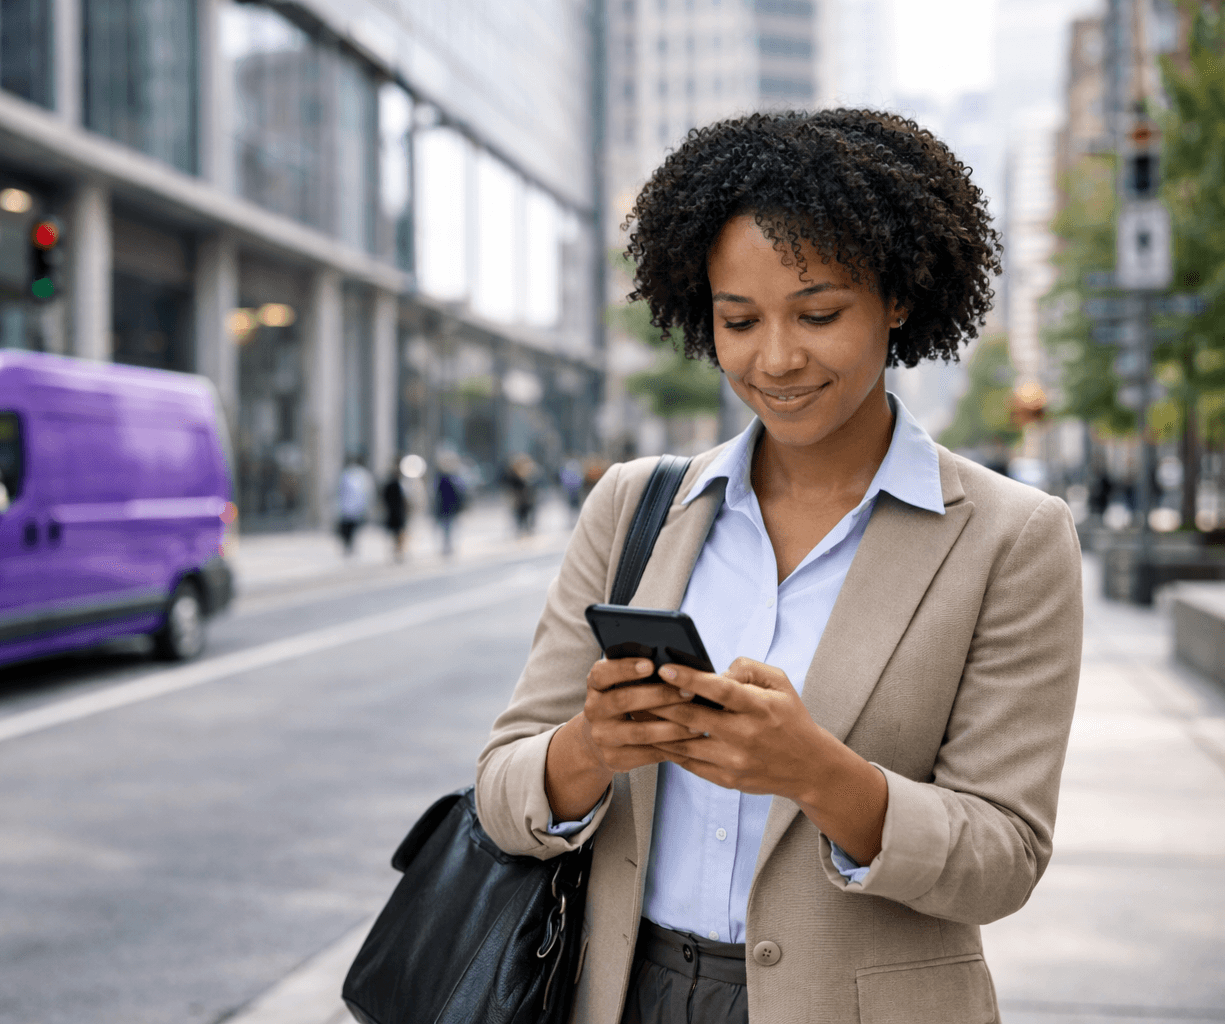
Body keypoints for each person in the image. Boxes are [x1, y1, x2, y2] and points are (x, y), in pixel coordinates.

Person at [475, 110, 1083, 1024]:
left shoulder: (1011, 538)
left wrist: (818, 774)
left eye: (820, 313)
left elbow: (1003, 858)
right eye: (739, 320)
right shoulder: (636, 507)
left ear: (901, 298)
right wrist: (590, 749)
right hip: (617, 997)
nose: (777, 358)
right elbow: (498, 789)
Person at [336, 456, 375, 556]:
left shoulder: (362, 475)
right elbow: (340, 490)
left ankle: (351, 545)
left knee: (353, 528)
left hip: (356, 507)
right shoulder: (346, 474)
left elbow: (367, 492)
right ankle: (347, 545)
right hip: (346, 507)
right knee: (346, 528)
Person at [433, 453, 466, 557]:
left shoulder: (453, 477)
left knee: (449, 528)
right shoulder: (443, 478)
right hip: (445, 507)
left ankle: (448, 546)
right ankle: (447, 546)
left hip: (450, 507)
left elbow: (459, 493)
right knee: (446, 528)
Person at [381, 463, 409, 562]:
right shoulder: (399, 485)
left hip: (393, 512)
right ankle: (398, 551)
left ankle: (398, 551)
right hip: (398, 513)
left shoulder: (391, 485)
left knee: (396, 533)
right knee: (399, 533)